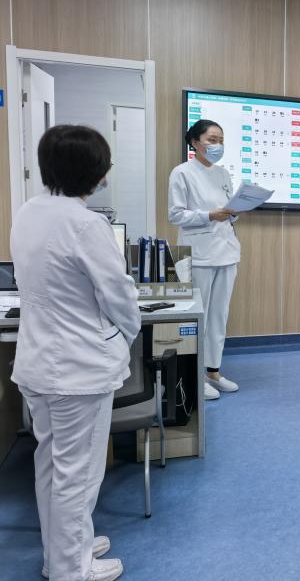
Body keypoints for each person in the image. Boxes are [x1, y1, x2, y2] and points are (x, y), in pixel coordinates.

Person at [11, 125, 140, 581]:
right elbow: (119, 295)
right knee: (78, 475)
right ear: (95, 171)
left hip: (37, 364)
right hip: (78, 371)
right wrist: (124, 336)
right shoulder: (87, 224)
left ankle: (67, 547)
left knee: (51, 465)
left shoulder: (30, 210)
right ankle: (70, 569)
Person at [169, 119, 241, 401]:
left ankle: (213, 372)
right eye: (212, 140)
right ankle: (195, 375)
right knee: (198, 317)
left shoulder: (223, 173)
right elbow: (176, 215)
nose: (217, 145)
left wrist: (235, 211)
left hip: (226, 251)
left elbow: (228, 211)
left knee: (219, 316)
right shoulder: (182, 173)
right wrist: (210, 215)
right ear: (195, 142)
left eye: (220, 140)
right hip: (199, 254)